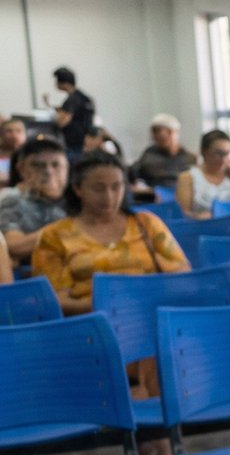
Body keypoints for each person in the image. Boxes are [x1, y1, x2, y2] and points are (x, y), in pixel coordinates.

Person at [33, 150, 189, 314]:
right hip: (92, 324)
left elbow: (182, 279)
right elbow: (56, 300)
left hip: (150, 316)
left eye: (116, 187)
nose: (109, 196)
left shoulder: (146, 223)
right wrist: (113, 308)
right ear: (78, 189)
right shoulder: (54, 236)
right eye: (98, 188)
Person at [1, 139, 70, 272]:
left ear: (67, 167)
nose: (48, 172)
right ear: (21, 169)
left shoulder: (80, 195)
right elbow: (14, 246)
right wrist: (68, 227)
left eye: (56, 165)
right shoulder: (12, 198)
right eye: (38, 165)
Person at [175, 129, 230, 218]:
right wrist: (207, 217)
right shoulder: (188, 177)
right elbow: (184, 215)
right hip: (202, 227)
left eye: (227, 153)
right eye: (219, 154)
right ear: (204, 152)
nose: (224, 159)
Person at [131, 114, 195, 193]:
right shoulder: (149, 153)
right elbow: (134, 172)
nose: (154, 136)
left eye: (157, 131)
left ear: (170, 132)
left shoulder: (189, 158)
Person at [42, 67, 94, 156]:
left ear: (63, 83)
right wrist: (49, 105)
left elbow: (62, 121)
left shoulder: (72, 100)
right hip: (85, 141)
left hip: (74, 144)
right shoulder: (82, 97)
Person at [0, 117, 24, 182]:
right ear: (1, 134)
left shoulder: (31, 154)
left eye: (19, 131)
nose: (14, 135)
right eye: (9, 131)